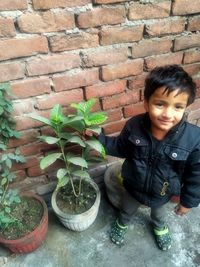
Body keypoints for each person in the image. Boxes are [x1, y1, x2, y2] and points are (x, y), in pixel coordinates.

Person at [86, 64, 200, 251]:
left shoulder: (194, 139)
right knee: (127, 209)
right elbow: (120, 147)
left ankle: (159, 227)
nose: (167, 114)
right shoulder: (135, 126)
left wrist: (188, 201)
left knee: (159, 215)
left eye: (178, 106)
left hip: (163, 193)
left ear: (186, 106)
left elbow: (196, 175)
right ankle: (122, 223)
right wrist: (98, 140)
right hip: (133, 186)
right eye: (160, 104)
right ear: (147, 103)